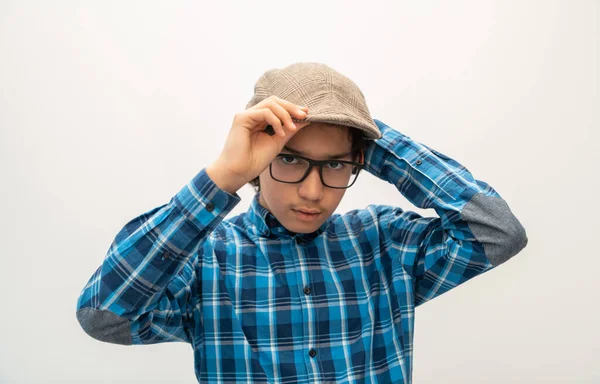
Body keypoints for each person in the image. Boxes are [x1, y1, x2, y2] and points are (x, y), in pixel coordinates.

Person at [76, 62, 528, 383]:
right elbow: (104, 317)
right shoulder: (207, 261)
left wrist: (371, 136)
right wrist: (222, 176)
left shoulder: (385, 243)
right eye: (290, 159)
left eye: (335, 166)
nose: (313, 192)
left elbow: (496, 233)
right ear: (259, 159)